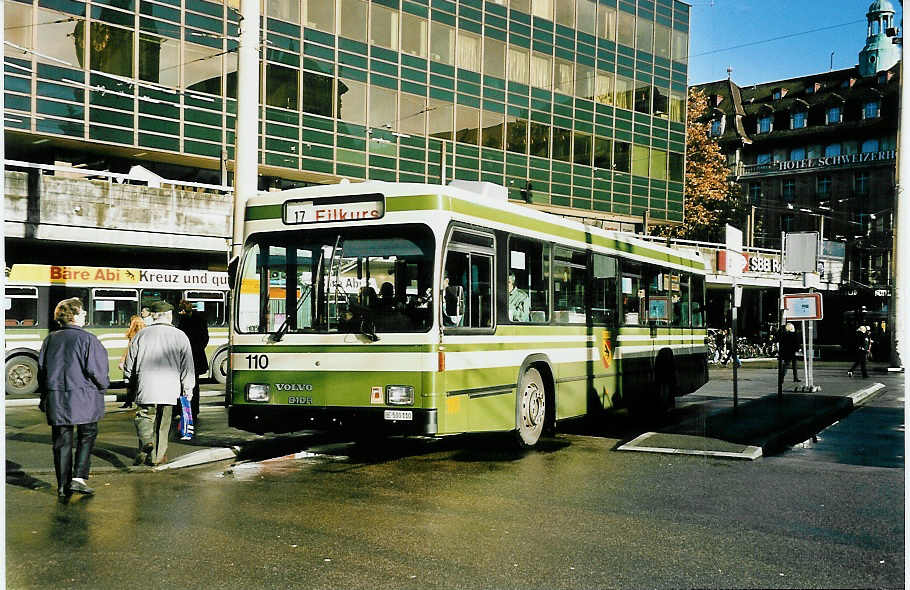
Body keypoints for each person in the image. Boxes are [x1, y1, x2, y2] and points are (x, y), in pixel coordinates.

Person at [37, 298, 110, 499]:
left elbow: (42, 370)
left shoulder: (50, 339)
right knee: (87, 434)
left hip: (57, 397)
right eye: (82, 312)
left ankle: (62, 485)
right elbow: (97, 370)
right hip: (85, 397)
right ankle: (78, 477)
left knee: (61, 441)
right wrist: (104, 385)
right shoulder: (89, 339)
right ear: (74, 315)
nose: (85, 314)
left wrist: (45, 395)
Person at [123, 300, 195, 467]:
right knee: (163, 423)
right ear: (169, 315)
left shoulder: (141, 335)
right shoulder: (180, 336)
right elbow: (187, 367)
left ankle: (146, 441)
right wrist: (188, 390)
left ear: (153, 316)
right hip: (170, 388)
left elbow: (129, 363)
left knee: (144, 416)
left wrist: (128, 381)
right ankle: (157, 457)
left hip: (146, 385)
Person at [176, 300, 209, 424]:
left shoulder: (182, 320)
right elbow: (205, 338)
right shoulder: (200, 319)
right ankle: (193, 411)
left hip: (189, 356)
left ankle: (183, 410)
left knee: (183, 384)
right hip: (196, 356)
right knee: (194, 385)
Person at [118, 315, 146, 409]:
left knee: (129, 382)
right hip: (142, 361)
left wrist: (122, 361)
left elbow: (129, 350)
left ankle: (128, 402)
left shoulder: (133, 335)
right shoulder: (145, 333)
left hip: (133, 361)